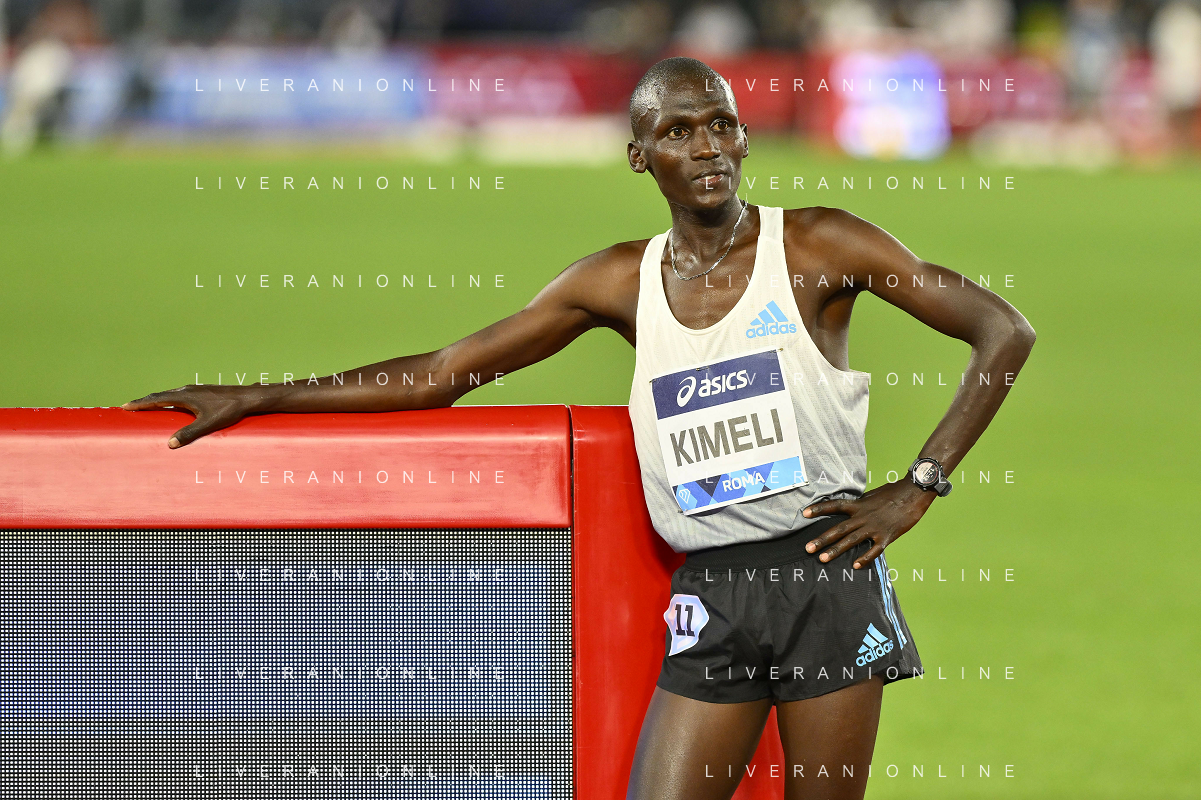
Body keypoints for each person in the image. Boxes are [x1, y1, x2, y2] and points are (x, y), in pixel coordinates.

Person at [124, 57, 1036, 800]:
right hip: (713, 587)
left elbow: (1002, 331)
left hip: (823, 576)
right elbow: (443, 373)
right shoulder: (616, 281)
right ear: (640, 155)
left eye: (720, 124)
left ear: (743, 136)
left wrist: (918, 486)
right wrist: (263, 397)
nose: (706, 146)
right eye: (677, 131)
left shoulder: (816, 244)